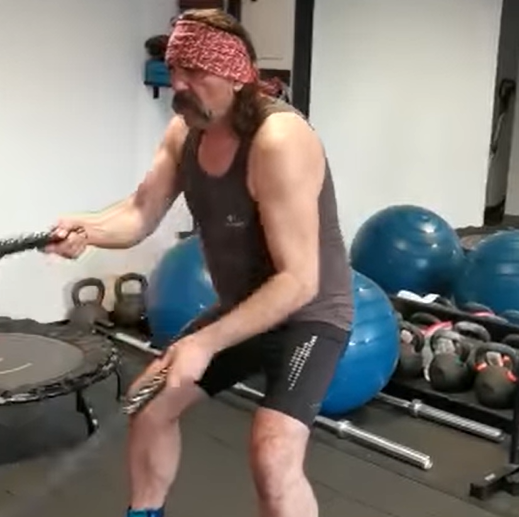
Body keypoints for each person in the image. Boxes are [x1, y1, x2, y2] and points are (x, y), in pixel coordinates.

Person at [46, 8, 354, 517]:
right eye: (174, 71)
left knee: (273, 453)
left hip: (309, 313)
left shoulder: (279, 140)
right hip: (246, 308)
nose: (179, 86)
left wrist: (204, 342)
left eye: (194, 72)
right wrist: (87, 229)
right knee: (150, 406)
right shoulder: (184, 133)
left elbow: (299, 280)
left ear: (235, 74)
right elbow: (140, 213)